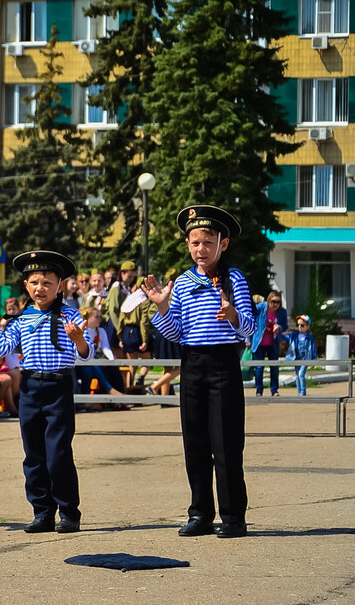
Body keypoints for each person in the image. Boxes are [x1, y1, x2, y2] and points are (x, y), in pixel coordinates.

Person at [144, 205, 256, 539]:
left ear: (223, 244)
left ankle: (233, 517)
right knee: (195, 443)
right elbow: (176, 332)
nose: (201, 249)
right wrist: (162, 306)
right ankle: (200, 514)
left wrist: (234, 314)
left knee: (225, 445)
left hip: (223, 365)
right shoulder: (182, 282)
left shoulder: (234, 278)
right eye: (194, 243)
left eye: (208, 242)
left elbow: (249, 327)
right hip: (192, 364)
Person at [0, 250, 91, 534]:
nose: (40, 288)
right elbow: (3, 349)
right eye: (34, 282)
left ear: (60, 286)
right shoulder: (21, 319)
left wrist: (79, 340)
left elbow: (86, 353)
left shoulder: (70, 314)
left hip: (59, 386)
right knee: (33, 454)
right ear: (26, 287)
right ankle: (42, 511)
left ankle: (68, 512)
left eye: (46, 282)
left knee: (58, 453)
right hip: (30, 387)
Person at [250, 291, 288, 396]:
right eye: (273, 301)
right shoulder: (260, 308)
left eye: (278, 302)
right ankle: (259, 390)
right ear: (268, 300)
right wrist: (248, 340)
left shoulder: (282, 312)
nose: (275, 304)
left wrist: (279, 327)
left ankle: (274, 390)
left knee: (274, 367)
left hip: (273, 343)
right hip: (259, 342)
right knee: (259, 368)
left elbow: (285, 326)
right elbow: (250, 320)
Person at [285, 315, 317, 396]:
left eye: (302, 325)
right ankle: (299, 391)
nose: (299, 327)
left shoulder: (310, 338)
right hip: (296, 358)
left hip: (306, 358)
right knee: (297, 375)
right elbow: (285, 338)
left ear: (307, 326)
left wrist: (314, 359)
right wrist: (277, 334)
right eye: (298, 325)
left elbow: (313, 349)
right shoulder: (294, 335)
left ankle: (303, 391)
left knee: (301, 374)